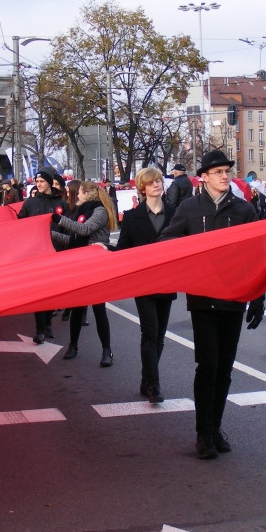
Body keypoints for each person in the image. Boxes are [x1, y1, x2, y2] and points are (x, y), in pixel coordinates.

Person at [159, 150, 265, 459]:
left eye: (227, 171)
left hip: (233, 297)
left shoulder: (244, 210)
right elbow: (168, 240)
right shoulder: (190, 208)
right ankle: (203, 432)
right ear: (203, 177)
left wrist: (258, 295)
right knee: (208, 364)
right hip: (203, 299)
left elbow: (256, 254)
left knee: (225, 367)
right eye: (217, 172)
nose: (224, 176)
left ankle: (215, 425)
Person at [115, 167, 176, 402]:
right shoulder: (132, 217)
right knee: (149, 332)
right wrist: (104, 250)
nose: (156, 185)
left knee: (160, 335)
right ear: (142, 188)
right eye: (151, 183)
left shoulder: (174, 213)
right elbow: (122, 250)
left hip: (168, 280)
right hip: (144, 283)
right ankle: (153, 385)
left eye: (159, 181)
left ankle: (145, 379)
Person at [51, 180, 118, 367]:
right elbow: (73, 239)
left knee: (98, 308)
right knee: (78, 306)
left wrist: (60, 220)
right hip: (80, 264)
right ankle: (73, 345)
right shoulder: (80, 211)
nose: (77, 196)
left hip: (95, 265)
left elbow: (85, 229)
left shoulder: (100, 211)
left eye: (79, 193)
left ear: (88, 194)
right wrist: (50, 234)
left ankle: (106, 350)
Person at [17, 170, 70, 344]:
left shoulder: (61, 203)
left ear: (49, 182)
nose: (38, 184)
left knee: (52, 291)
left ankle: (48, 324)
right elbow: (21, 225)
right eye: (37, 181)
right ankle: (39, 329)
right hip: (36, 253)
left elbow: (68, 228)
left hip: (55, 251)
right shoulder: (30, 203)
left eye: (41, 181)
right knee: (38, 292)